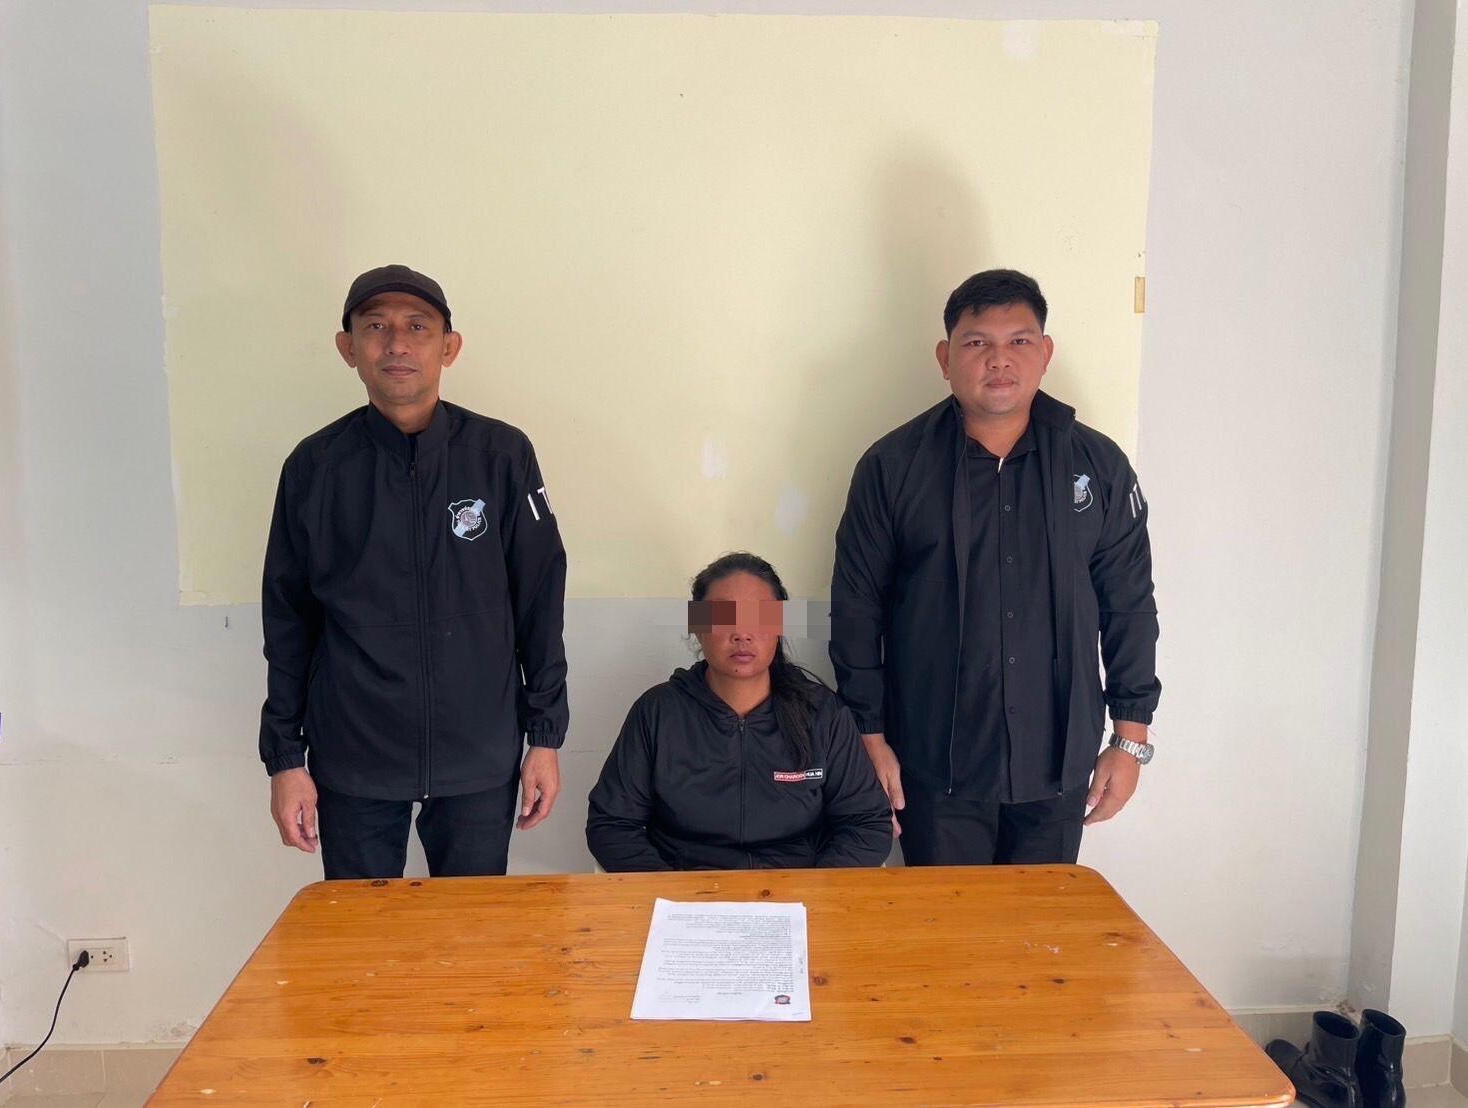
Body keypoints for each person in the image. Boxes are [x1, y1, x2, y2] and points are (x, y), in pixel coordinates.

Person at [830, 269, 1160, 866]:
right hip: (931, 764)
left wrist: (1130, 737)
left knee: (1040, 923)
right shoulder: (892, 467)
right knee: (946, 922)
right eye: (977, 342)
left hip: (1059, 761)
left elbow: (1129, 605)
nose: (999, 360)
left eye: (1019, 341)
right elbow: (857, 611)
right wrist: (867, 736)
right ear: (945, 358)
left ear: (1046, 353)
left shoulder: (1099, 466)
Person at [259, 264, 568, 879]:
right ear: (348, 347)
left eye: (417, 327)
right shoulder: (315, 468)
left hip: (479, 754)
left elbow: (540, 599)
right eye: (376, 327)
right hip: (355, 758)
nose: (397, 343)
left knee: (474, 929)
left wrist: (546, 736)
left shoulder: (501, 456)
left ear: (449, 347)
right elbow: (288, 622)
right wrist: (286, 759)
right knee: (364, 931)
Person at [587, 552, 891, 871]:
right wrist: (670, 890)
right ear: (698, 626)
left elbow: (867, 823)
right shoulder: (658, 712)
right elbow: (612, 825)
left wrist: (818, 888)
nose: (742, 634)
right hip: (686, 886)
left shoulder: (823, 713)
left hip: (798, 885)